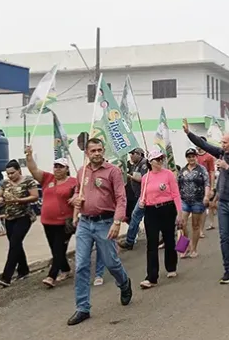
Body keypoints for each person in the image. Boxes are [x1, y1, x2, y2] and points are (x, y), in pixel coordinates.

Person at [69, 138, 132, 326]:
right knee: (81, 265)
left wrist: (117, 222)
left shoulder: (113, 171)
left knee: (111, 263)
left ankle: (124, 283)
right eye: (93, 150)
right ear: (87, 153)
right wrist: (74, 202)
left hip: (106, 223)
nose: (97, 153)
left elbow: (121, 198)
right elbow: (77, 194)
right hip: (85, 224)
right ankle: (82, 308)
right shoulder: (82, 172)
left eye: (99, 150)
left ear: (103, 151)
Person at [182, 119, 229, 284]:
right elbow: (204, 145)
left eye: (225, 142)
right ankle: (228, 271)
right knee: (224, 237)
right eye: (221, 142)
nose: (221, 144)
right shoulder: (222, 153)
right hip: (223, 202)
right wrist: (188, 133)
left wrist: (227, 167)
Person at [24, 147, 78, 288]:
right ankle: (65, 269)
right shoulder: (48, 178)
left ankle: (51, 276)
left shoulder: (73, 182)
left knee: (59, 248)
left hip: (64, 223)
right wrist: (29, 156)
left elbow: (79, 196)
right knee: (55, 249)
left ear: (67, 168)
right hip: (48, 222)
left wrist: (75, 205)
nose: (57, 169)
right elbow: (33, 170)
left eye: (61, 167)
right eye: (55, 166)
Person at [139, 149, 184, 289]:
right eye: (157, 159)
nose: (160, 162)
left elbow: (176, 194)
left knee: (169, 239)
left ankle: (171, 266)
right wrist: (142, 201)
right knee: (151, 243)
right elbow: (143, 195)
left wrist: (179, 212)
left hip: (167, 208)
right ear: (150, 161)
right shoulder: (145, 178)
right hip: (151, 211)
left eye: (161, 159)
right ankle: (151, 277)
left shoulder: (168, 174)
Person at [0, 159, 40, 288]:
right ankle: (23, 270)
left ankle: (6, 277)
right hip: (9, 217)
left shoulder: (28, 181)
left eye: (12, 173)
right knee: (15, 244)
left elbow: (35, 196)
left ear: (19, 170)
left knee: (14, 243)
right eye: (8, 173)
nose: (10, 176)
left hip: (24, 217)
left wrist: (19, 200)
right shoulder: (5, 183)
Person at [178, 148, 211, 259]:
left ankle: (193, 248)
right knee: (181, 224)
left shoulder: (202, 170)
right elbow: (178, 184)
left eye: (193, 156)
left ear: (196, 157)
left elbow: (207, 183)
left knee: (195, 226)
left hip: (198, 200)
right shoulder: (182, 170)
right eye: (189, 156)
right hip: (184, 200)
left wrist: (206, 196)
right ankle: (183, 247)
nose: (191, 158)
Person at [119, 148, 148, 250]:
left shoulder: (144, 164)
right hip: (140, 196)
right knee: (138, 217)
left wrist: (129, 176)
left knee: (135, 216)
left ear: (140, 154)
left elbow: (143, 179)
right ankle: (130, 240)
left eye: (133, 153)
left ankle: (129, 241)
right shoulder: (136, 165)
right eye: (130, 153)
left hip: (145, 196)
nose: (131, 155)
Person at [195, 145, 216, 230]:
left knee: (209, 204)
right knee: (199, 206)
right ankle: (199, 228)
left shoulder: (209, 157)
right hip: (197, 186)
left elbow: (212, 172)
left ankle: (211, 223)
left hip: (207, 184)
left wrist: (212, 187)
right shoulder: (194, 156)